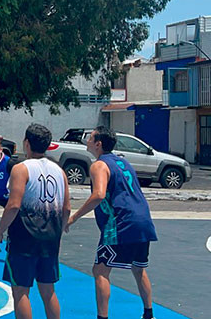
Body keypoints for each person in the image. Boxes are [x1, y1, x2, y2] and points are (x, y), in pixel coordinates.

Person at [67, 126, 158, 319]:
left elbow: (98, 194)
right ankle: (149, 315)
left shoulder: (98, 165)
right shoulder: (123, 162)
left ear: (98, 144)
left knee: (100, 269)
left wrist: (74, 217)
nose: (87, 141)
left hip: (120, 224)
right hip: (143, 220)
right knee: (138, 268)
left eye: (90, 138)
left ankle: (102, 317)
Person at [0, 123, 69, 319]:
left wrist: (0, 230)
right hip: (51, 236)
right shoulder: (59, 172)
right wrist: (59, 232)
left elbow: (13, 205)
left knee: (20, 291)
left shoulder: (21, 169)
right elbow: (66, 208)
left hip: (25, 237)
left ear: (26, 143)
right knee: (48, 290)